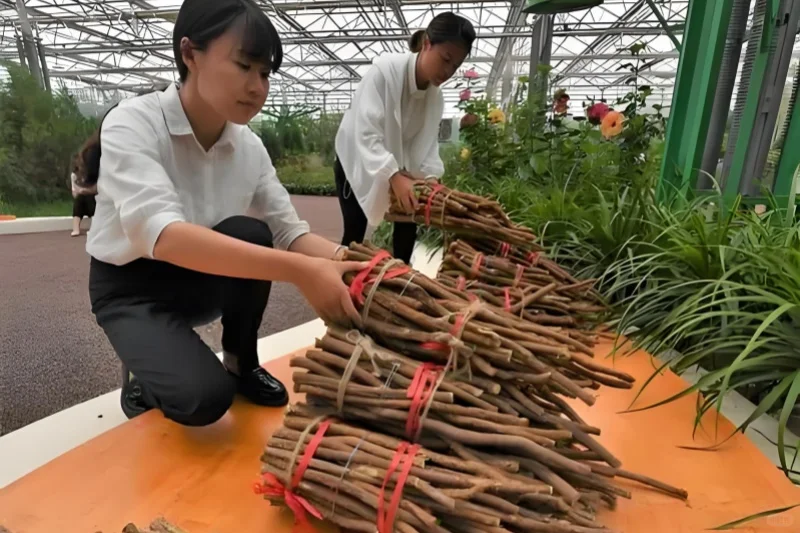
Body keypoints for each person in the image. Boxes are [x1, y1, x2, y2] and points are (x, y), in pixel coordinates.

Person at [83, 0, 367, 426]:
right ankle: (143, 365)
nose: (257, 86)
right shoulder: (133, 123)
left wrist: (356, 263)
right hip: (131, 288)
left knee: (251, 232)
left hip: (197, 278)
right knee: (203, 400)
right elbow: (165, 236)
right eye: (244, 65)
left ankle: (241, 362)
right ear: (189, 54)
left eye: (266, 73)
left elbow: (290, 232)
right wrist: (303, 272)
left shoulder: (248, 147)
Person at [333, 12, 476, 264]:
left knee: (409, 224)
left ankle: (401, 285)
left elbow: (427, 144)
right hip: (356, 159)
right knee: (354, 234)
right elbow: (365, 133)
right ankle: (338, 290)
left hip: (398, 167)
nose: (448, 71)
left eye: (455, 65)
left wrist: (430, 179)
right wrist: (393, 175)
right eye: (445, 59)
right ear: (427, 44)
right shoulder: (385, 73)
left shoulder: (435, 96)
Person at [69, 157, 96, 237]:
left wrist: (86, 191)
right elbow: (74, 192)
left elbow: (97, 189)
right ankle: (76, 229)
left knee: (88, 198)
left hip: (93, 198)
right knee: (80, 198)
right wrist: (81, 192)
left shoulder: (93, 174)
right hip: (81, 199)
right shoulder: (74, 175)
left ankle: (94, 228)